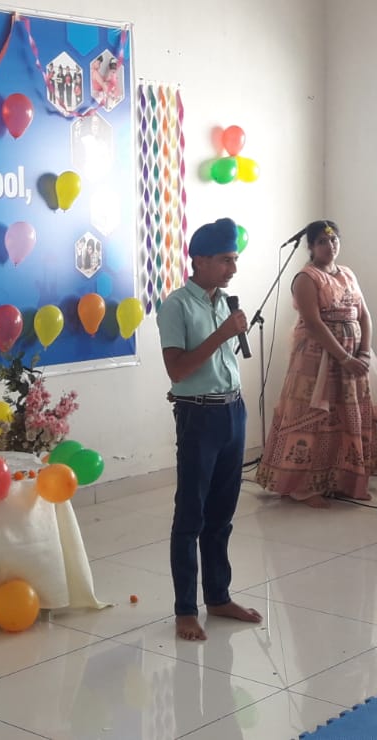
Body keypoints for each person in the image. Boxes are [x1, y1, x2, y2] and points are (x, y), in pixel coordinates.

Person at [156, 217, 262, 642]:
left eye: (234, 260)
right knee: (191, 514)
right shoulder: (176, 306)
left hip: (233, 411)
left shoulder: (224, 302)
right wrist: (222, 334)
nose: (232, 268)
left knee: (222, 513)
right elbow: (178, 370)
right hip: (198, 415)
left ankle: (218, 597)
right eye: (224, 260)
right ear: (199, 260)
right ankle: (185, 609)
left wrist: (226, 330)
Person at [255, 220, 377, 506]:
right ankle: (303, 486)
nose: (330, 246)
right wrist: (344, 357)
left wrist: (364, 353)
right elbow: (314, 323)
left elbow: (364, 315)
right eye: (322, 242)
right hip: (317, 360)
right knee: (313, 418)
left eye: (334, 240)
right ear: (311, 247)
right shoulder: (306, 278)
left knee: (347, 417)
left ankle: (342, 481)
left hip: (353, 359)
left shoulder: (347, 273)